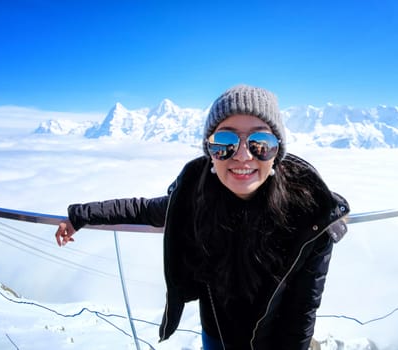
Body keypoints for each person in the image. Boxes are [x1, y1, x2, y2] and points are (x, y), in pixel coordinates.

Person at [55, 85, 350, 350]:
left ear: (277, 152)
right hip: (215, 335)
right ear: (210, 152)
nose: (243, 155)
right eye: (225, 142)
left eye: (260, 141)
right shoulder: (195, 198)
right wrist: (80, 216)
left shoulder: (308, 214)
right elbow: (142, 209)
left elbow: (302, 311)